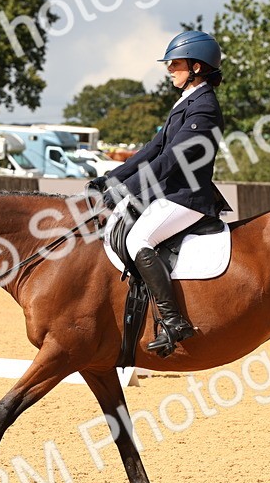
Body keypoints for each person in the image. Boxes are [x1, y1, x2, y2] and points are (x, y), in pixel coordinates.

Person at [87, 30, 232, 356]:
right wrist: (112, 177)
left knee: (139, 240)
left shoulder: (204, 108)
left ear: (196, 67)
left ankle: (173, 321)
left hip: (189, 197)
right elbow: (154, 148)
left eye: (175, 63)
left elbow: (173, 159)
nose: (169, 69)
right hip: (170, 194)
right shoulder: (186, 102)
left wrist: (130, 188)